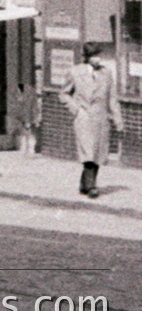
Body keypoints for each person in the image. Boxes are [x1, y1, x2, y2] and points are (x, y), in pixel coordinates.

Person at [61, 43, 125, 198]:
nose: (98, 59)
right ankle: (91, 186)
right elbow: (63, 94)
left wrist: (118, 120)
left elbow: (112, 98)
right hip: (84, 117)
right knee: (88, 151)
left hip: (101, 118)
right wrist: (76, 109)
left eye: (99, 55)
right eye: (95, 55)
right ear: (87, 57)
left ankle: (84, 184)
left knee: (98, 153)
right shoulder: (75, 72)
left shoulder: (106, 73)